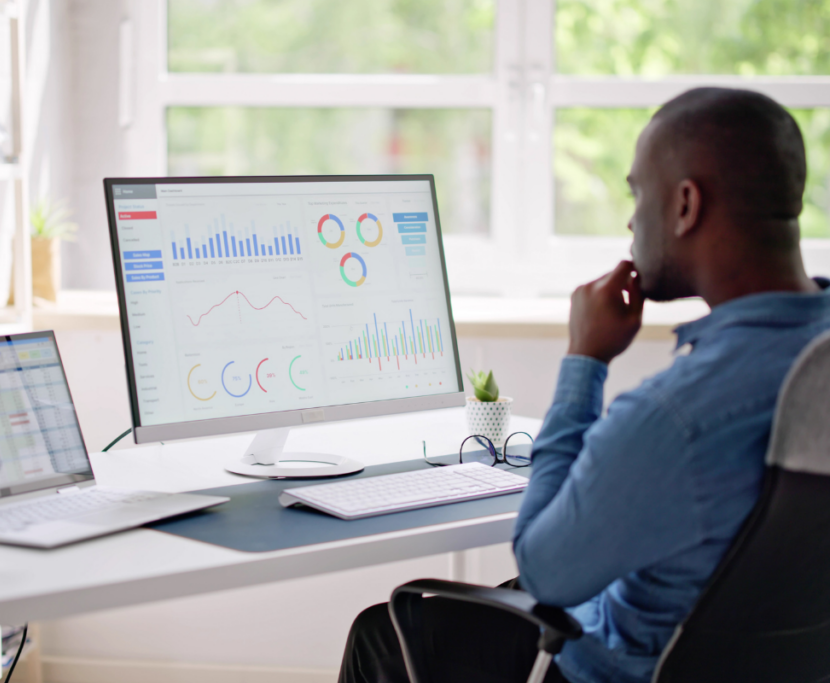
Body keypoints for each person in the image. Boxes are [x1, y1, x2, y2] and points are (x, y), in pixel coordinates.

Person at [338, 86, 830, 683]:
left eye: (637, 193)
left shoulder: (674, 418)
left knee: (382, 636)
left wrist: (583, 361)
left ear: (684, 205)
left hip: (619, 667)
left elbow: (546, 571)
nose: (630, 219)